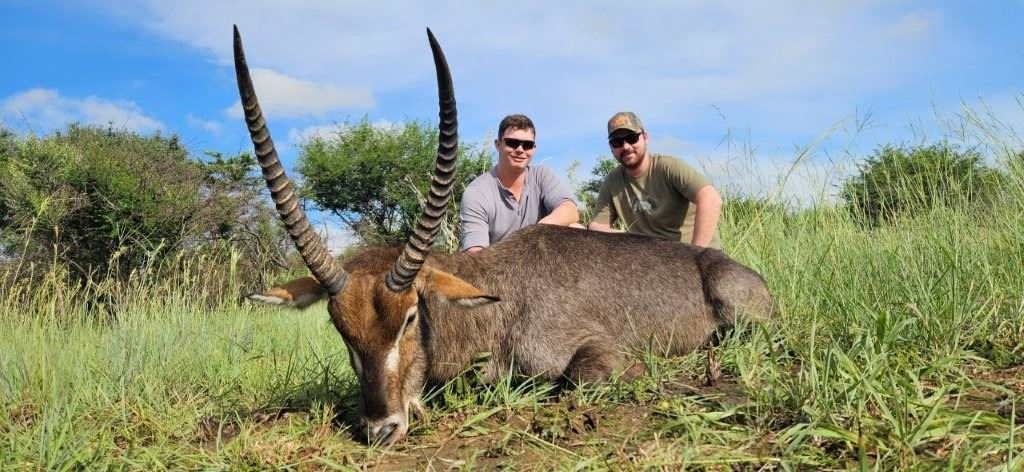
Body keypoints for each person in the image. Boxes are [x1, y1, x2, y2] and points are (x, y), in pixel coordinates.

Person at [588, 112, 723, 249]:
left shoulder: (669, 167)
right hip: (651, 257)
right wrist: (631, 240)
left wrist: (697, 253)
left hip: (692, 255)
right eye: (617, 142)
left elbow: (711, 199)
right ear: (611, 148)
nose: (626, 146)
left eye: (632, 138)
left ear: (645, 138)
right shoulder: (612, 181)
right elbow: (597, 225)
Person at [460, 114, 580, 252]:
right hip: (500, 263)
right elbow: (475, 253)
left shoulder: (541, 175)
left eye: (527, 145)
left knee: (576, 228)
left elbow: (570, 211)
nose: (520, 150)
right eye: (512, 143)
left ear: (534, 148)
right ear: (498, 145)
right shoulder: (477, 192)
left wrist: (536, 232)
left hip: (540, 257)